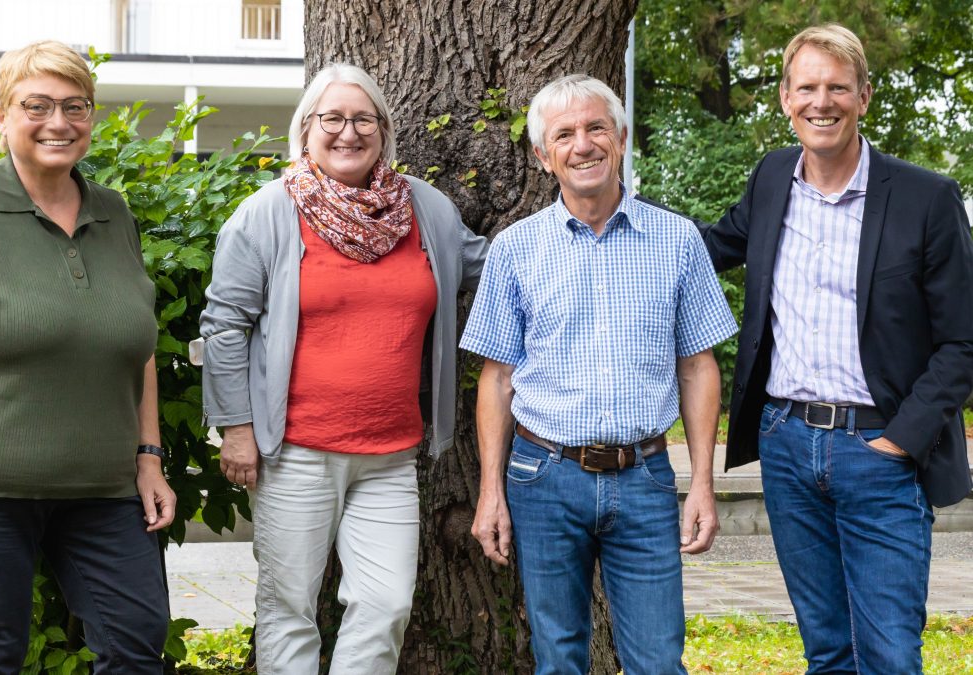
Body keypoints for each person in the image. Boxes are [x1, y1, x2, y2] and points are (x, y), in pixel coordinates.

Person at [700, 24, 973, 673]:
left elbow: (964, 340)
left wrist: (901, 441)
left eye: (837, 88)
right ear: (785, 98)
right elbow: (708, 245)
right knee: (826, 653)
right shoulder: (771, 178)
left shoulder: (926, 198)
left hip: (880, 450)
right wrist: (611, 209)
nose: (821, 102)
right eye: (807, 88)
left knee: (889, 656)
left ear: (864, 96)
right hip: (787, 447)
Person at [0, 41, 174, 672]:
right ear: (0, 116)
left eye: (75, 106)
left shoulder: (114, 212)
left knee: (135, 642)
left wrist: (149, 458)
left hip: (104, 490)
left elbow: (136, 347)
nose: (58, 122)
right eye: (37, 105)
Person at [199, 63, 487, 674]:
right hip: (295, 452)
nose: (348, 132)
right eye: (332, 118)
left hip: (390, 455)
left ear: (384, 129)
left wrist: (574, 234)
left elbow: (492, 270)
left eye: (363, 119)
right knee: (289, 608)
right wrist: (236, 427)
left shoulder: (425, 210)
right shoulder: (268, 213)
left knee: (386, 604)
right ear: (306, 128)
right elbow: (224, 326)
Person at [461, 74, 738, 674]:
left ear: (622, 138)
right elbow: (498, 379)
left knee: (658, 663)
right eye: (564, 135)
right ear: (544, 156)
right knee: (557, 661)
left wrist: (702, 484)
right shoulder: (514, 249)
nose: (582, 145)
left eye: (596, 128)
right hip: (543, 478)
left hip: (645, 477)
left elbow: (698, 367)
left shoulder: (677, 240)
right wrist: (491, 493)